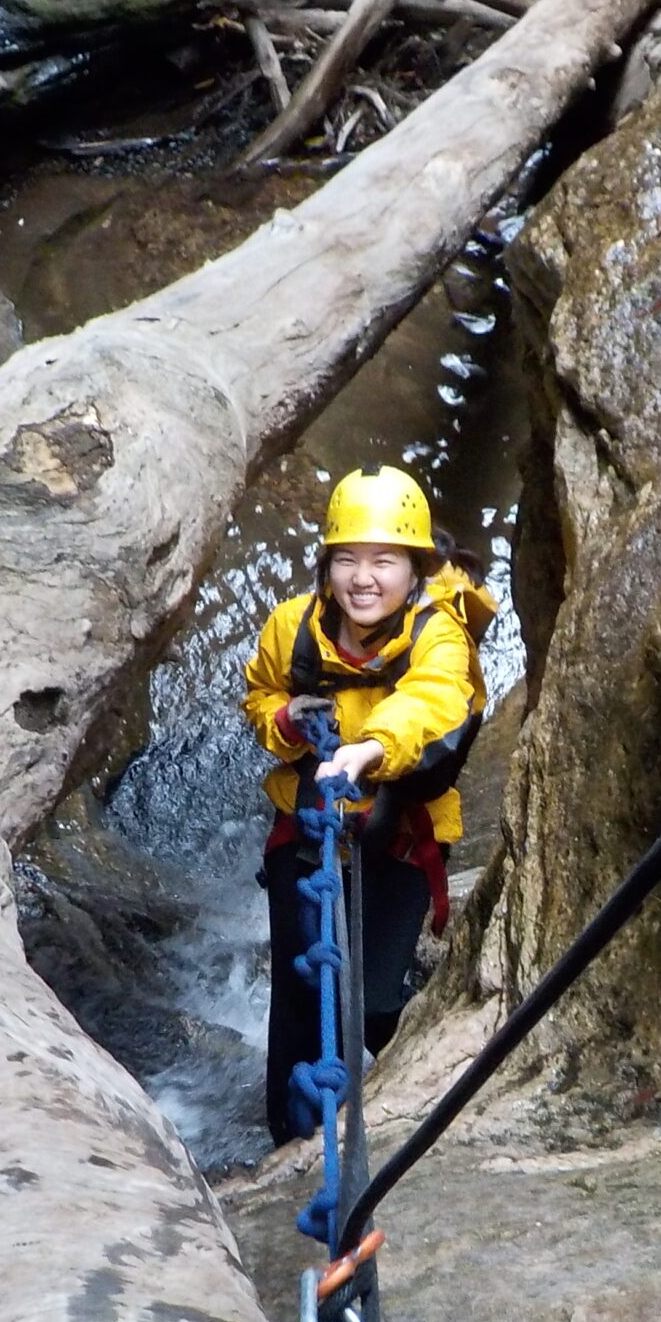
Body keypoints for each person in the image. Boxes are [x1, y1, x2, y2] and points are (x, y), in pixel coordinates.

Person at [245, 466, 497, 1150]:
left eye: (384, 561)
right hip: (310, 828)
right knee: (299, 1000)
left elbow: (436, 700)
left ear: (414, 568)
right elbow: (260, 697)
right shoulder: (291, 629)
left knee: (377, 1002)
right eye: (347, 560)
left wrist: (369, 751)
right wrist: (290, 720)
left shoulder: (439, 634)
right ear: (325, 566)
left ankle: (408, 1113)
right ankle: (291, 1146)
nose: (364, 578)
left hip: (400, 834)